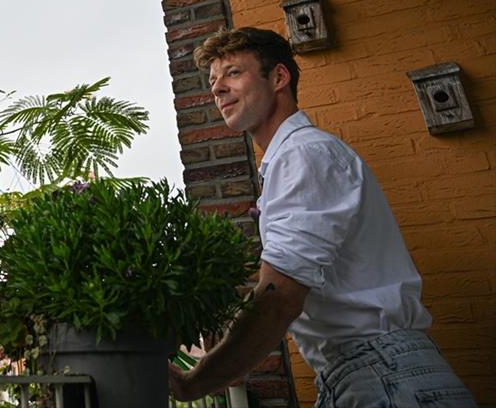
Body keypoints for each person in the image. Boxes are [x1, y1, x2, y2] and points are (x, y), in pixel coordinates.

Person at [168, 27, 476, 407]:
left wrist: (196, 382)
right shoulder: (292, 159)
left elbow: (279, 297)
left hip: (384, 376)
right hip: (359, 374)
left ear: (279, 78)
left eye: (233, 72)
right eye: (213, 80)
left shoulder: (304, 155)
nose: (217, 89)